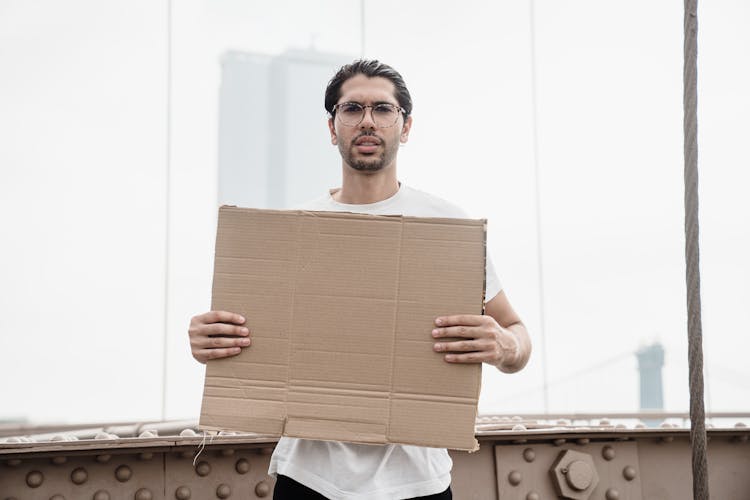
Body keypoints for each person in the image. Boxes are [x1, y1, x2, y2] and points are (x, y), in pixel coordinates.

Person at [188, 60, 531, 500]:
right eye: (352, 109)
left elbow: (518, 336)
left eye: (383, 109)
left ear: (405, 127)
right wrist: (208, 342)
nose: (367, 121)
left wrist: (505, 345)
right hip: (309, 481)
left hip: (418, 485)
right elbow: (247, 342)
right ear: (333, 128)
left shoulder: (448, 228)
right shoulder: (295, 229)